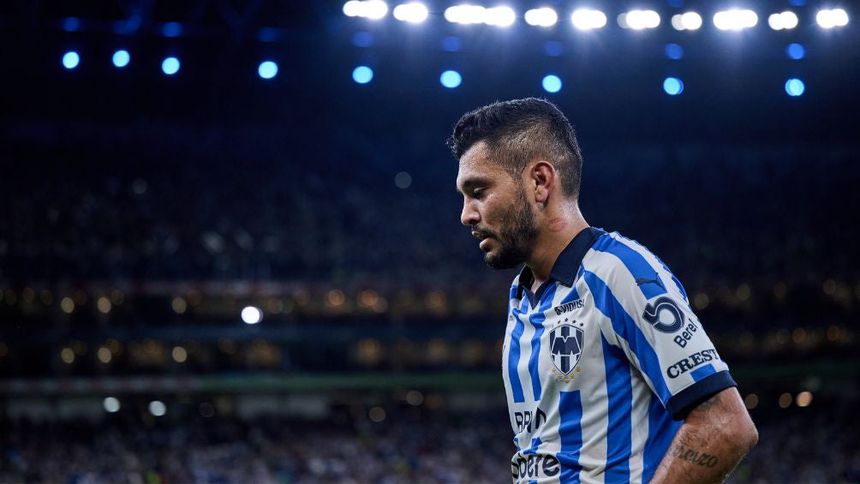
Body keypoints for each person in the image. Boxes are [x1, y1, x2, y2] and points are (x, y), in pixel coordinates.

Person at [449, 98, 757, 483]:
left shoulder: (619, 272)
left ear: (540, 182)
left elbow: (726, 424)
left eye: (478, 191)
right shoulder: (521, 295)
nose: (466, 214)